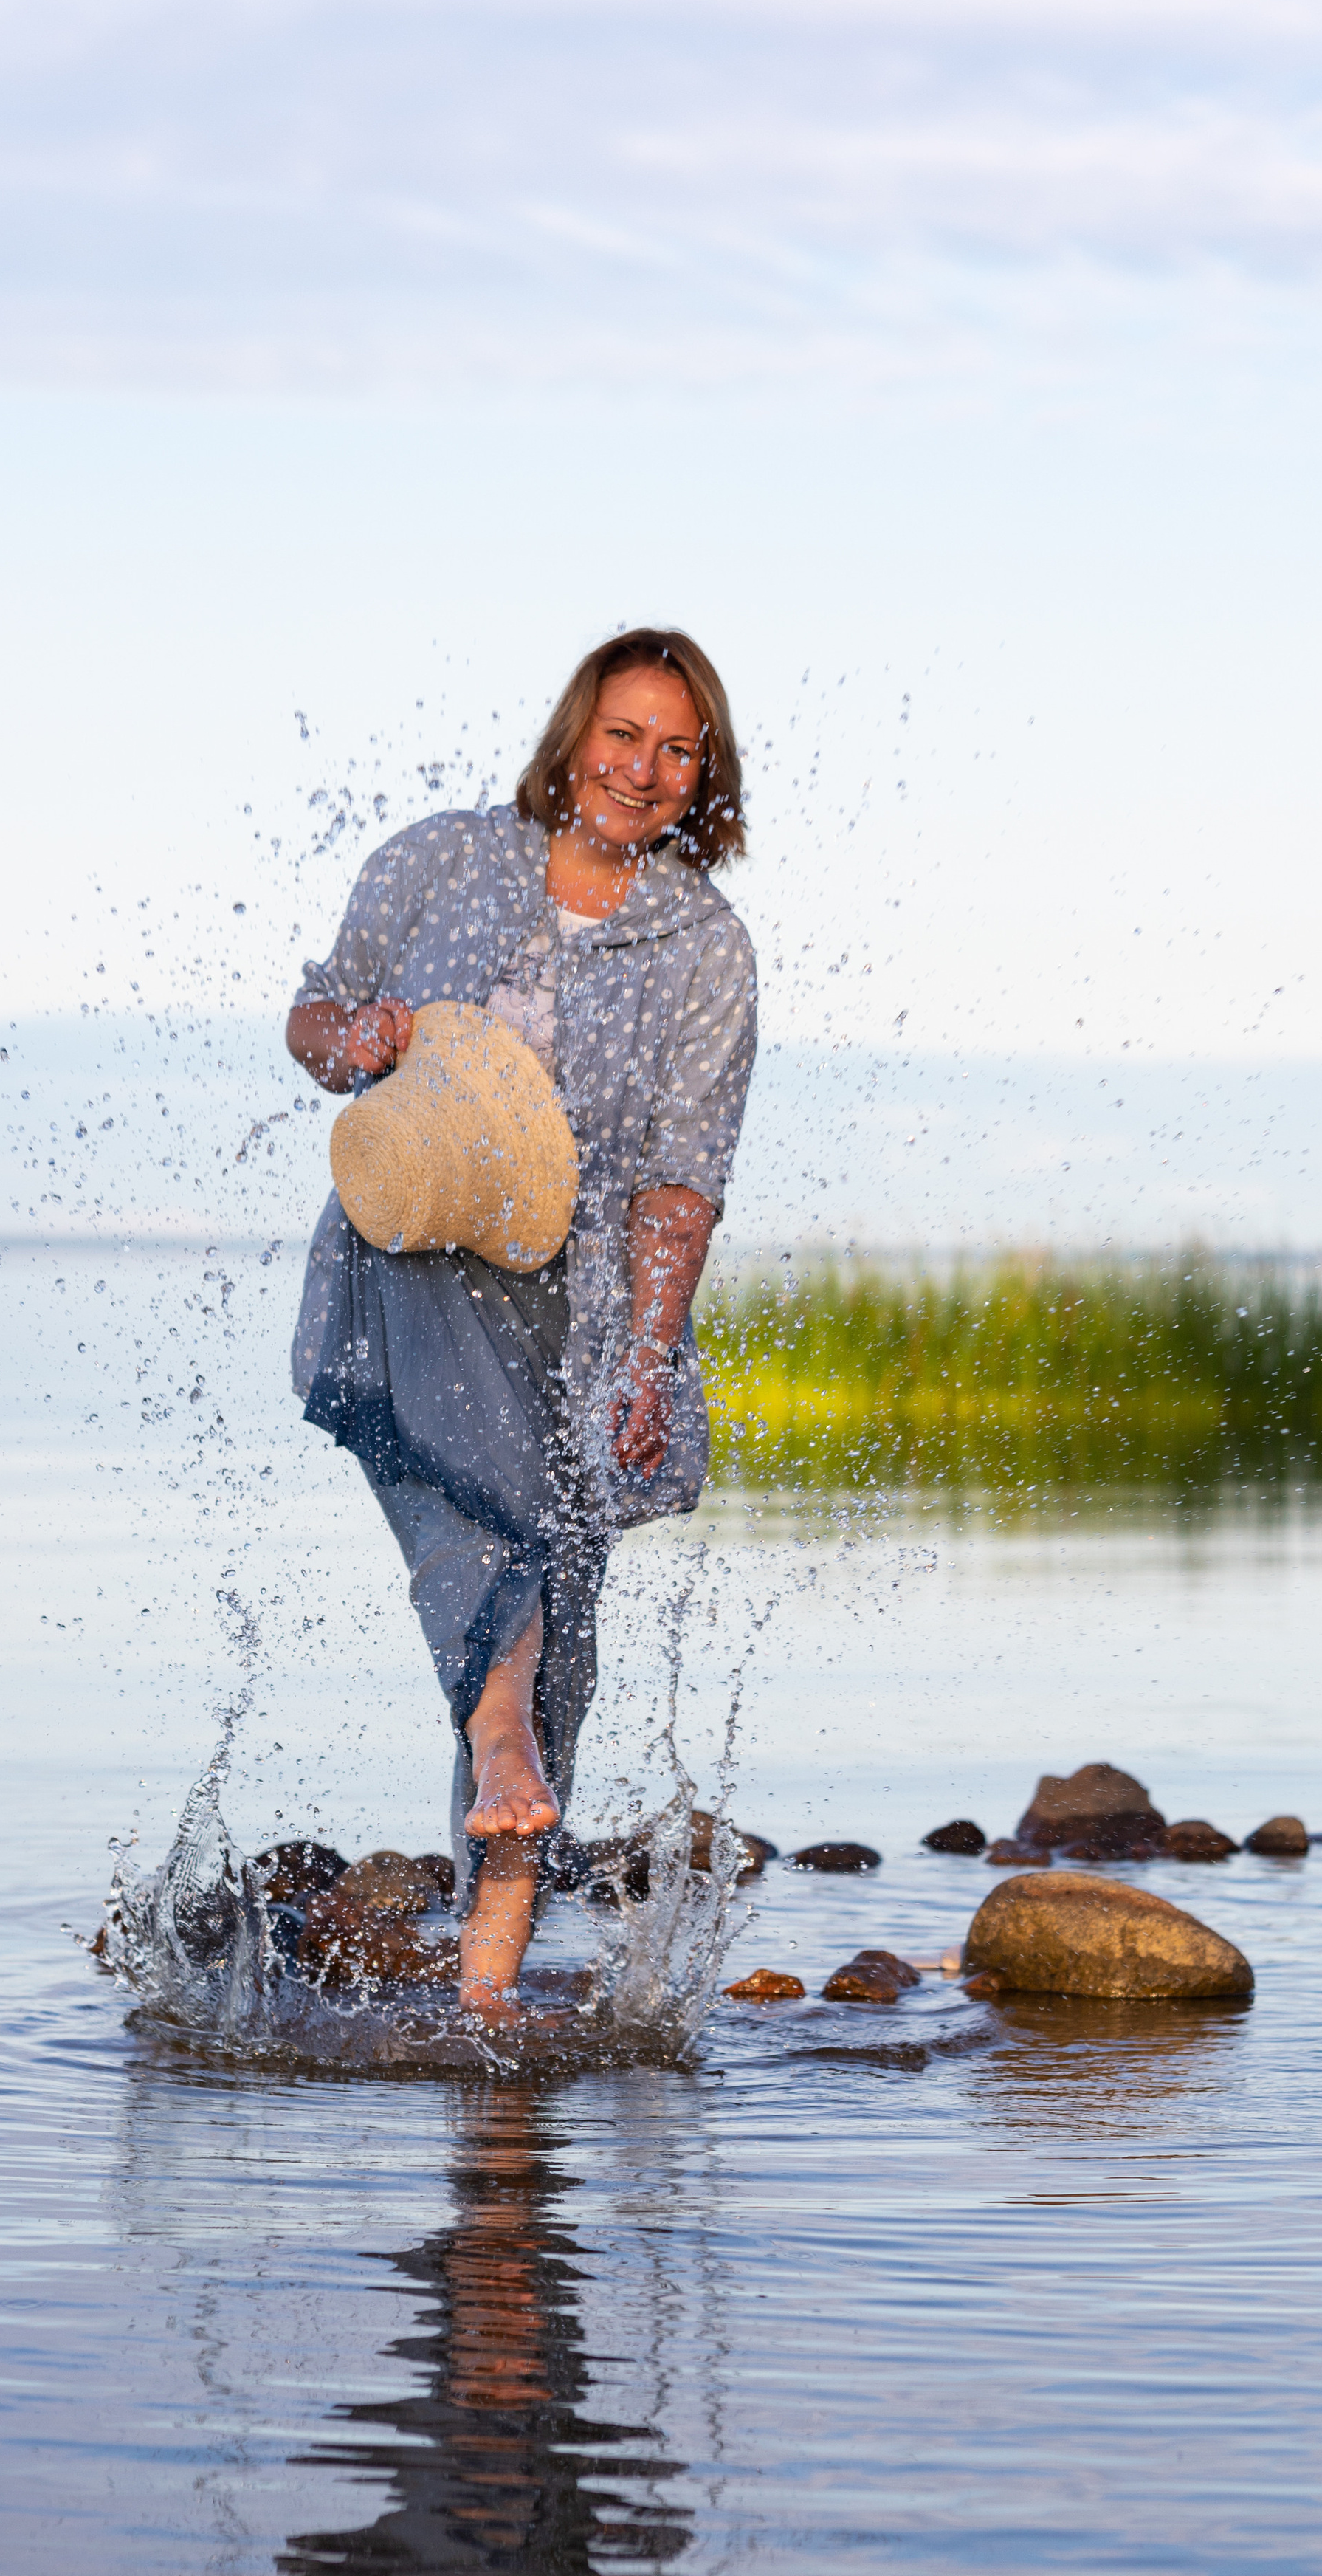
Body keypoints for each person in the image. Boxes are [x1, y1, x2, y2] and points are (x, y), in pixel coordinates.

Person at [285, 629, 757, 2013]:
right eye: (623, 735)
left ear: (704, 775)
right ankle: (500, 1743)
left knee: (560, 1598)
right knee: (483, 1517)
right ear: (572, 736)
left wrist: (652, 1359)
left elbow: (681, 1182)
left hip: (583, 1295)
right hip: (410, 1247)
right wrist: (359, 1038)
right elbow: (313, 1022)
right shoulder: (438, 858)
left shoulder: (705, 944)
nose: (645, 770)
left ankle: (487, 1982)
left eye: (680, 749)